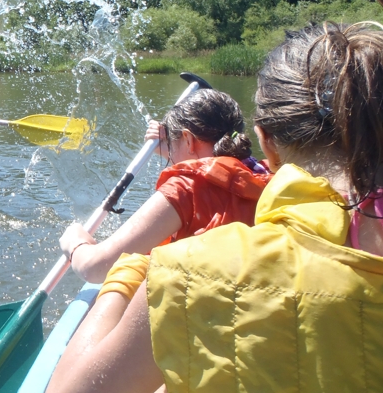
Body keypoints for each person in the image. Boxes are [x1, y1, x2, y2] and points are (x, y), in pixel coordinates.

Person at [47, 22, 383, 393]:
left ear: (266, 141)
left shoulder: (183, 269)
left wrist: (127, 270)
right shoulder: (257, 175)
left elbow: (96, 271)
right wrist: (175, 152)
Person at [59, 88, 271, 284]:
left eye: (173, 144)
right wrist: (171, 147)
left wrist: (75, 241)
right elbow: (214, 162)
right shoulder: (268, 173)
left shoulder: (186, 188)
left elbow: (96, 268)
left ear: (188, 139)